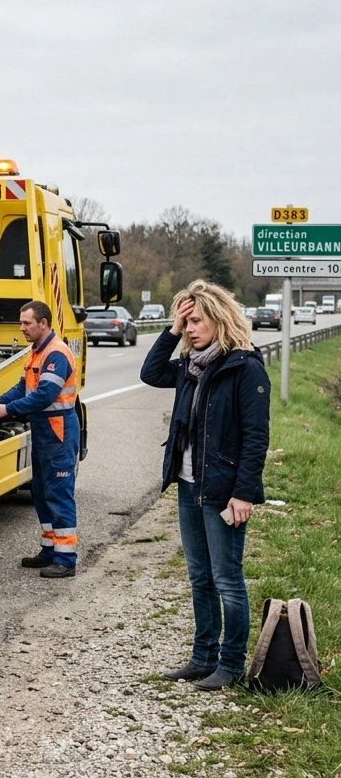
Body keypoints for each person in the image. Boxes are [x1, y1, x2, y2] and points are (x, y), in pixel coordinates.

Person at [140, 280, 270, 690]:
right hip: (188, 484)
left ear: (219, 318)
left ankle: (231, 664)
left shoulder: (244, 368)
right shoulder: (190, 367)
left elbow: (256, 437)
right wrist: (172, 330)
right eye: (187, 321)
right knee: (199, 576)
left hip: (223, 490)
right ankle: (203, 657)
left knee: (227, 577)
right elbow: (150, 372)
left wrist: (244, 492)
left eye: (197, 320)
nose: (191, 328)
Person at [0, 300, 80, 578]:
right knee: (41, 492)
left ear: (43, 324)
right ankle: (50, 550)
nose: (22, 327)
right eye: (22, 322)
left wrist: (7, 410)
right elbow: (24, 387)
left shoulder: (56, 354)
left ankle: (66, 559)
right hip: (44, 431)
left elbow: (45, 395)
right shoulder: (37, 351)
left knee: (58, 494)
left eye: (27, 323)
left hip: (58, 433)